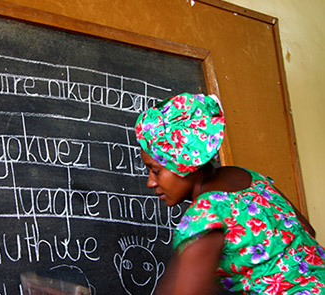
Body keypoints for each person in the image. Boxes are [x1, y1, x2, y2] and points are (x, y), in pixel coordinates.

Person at [134, 93, 325, 294]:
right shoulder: (246, 178)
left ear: (184, 161)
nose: (151, 182)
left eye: (155, 170)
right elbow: (307, 230)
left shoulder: (206, 214)